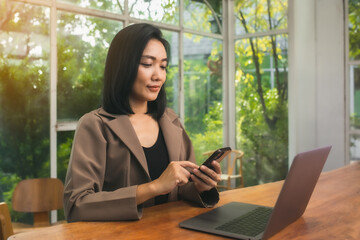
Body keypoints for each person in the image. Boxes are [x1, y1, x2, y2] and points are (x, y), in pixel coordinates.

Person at [63, 23, 221, 222]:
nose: (158, 75)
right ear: (123, 66)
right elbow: (77, 205)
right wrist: (154, 187)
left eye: (163, 66)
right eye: (147, 64)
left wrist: (199, 186)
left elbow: (181, 189)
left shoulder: (171, 121)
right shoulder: (95, 125)